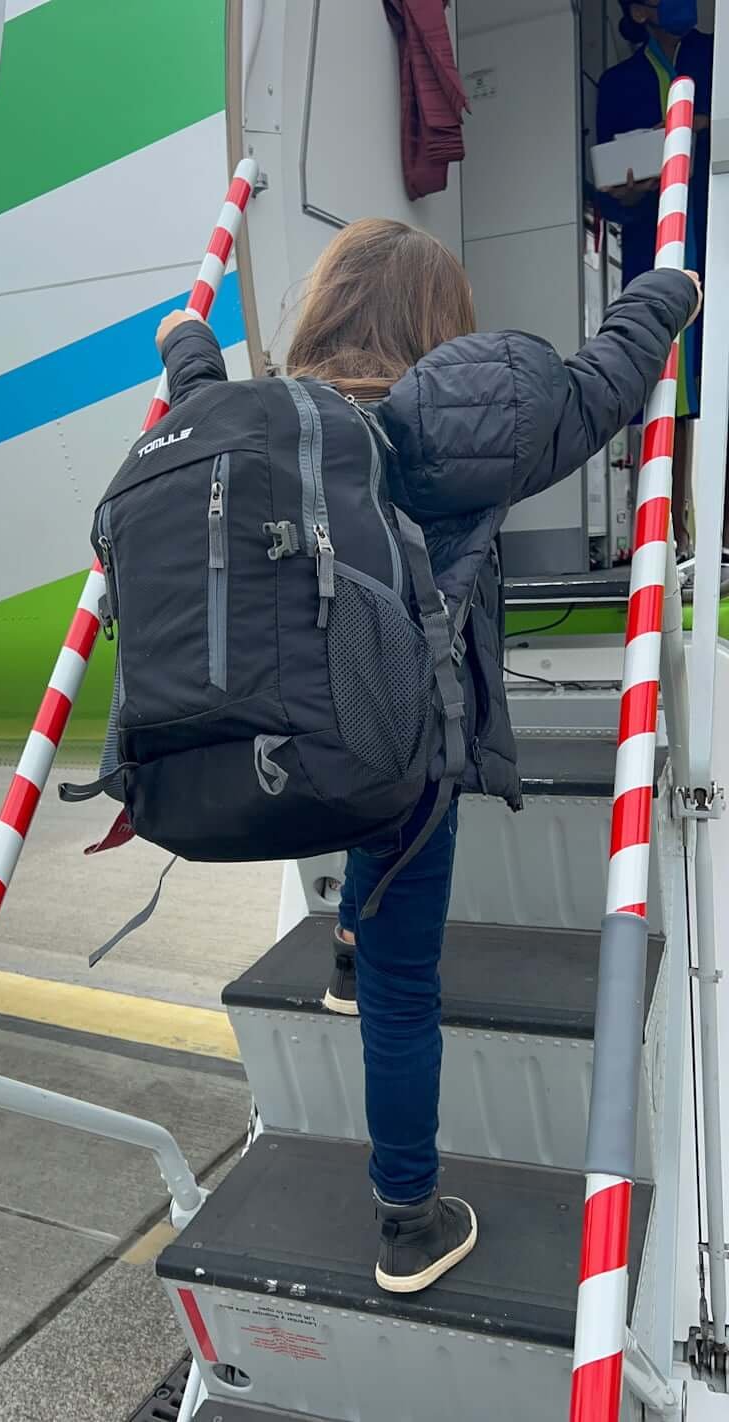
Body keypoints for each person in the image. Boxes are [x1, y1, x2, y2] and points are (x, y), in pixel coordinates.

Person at [156, 219, 701, 1294]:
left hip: (285, 740)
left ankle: (347, 957)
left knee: (362, 863)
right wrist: (669, 287)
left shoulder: (266, 428)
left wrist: (184, 332)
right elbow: (602, 382)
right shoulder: (459, 425)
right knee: (409, 984)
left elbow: (193, 392)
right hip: (405, 754)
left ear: (321, 314)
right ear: (434, 325)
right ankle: (406, 1219)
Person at [596, 1, 726, 587]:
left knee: (720, 384)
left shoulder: (714, 56)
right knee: (661, 390)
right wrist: (627, 188)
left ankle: (721, 540)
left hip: (714, 235)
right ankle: (672, 542)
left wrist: (694, 129)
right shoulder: (620, 83)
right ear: (639, 10)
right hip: (655, 246)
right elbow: (601, 183)